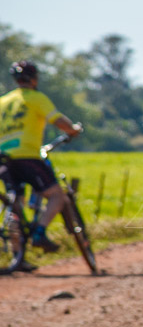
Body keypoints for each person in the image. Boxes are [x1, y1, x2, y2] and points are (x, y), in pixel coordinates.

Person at [0, 61, 83, 270]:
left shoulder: (3, 101)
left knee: (15, 203)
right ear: (34, 79)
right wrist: (73, 130)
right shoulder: (36, 98)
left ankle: (17, 256)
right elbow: (59, 121)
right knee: (57, 195)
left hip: (4, 158)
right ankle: (39, 233)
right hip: (27, 155)